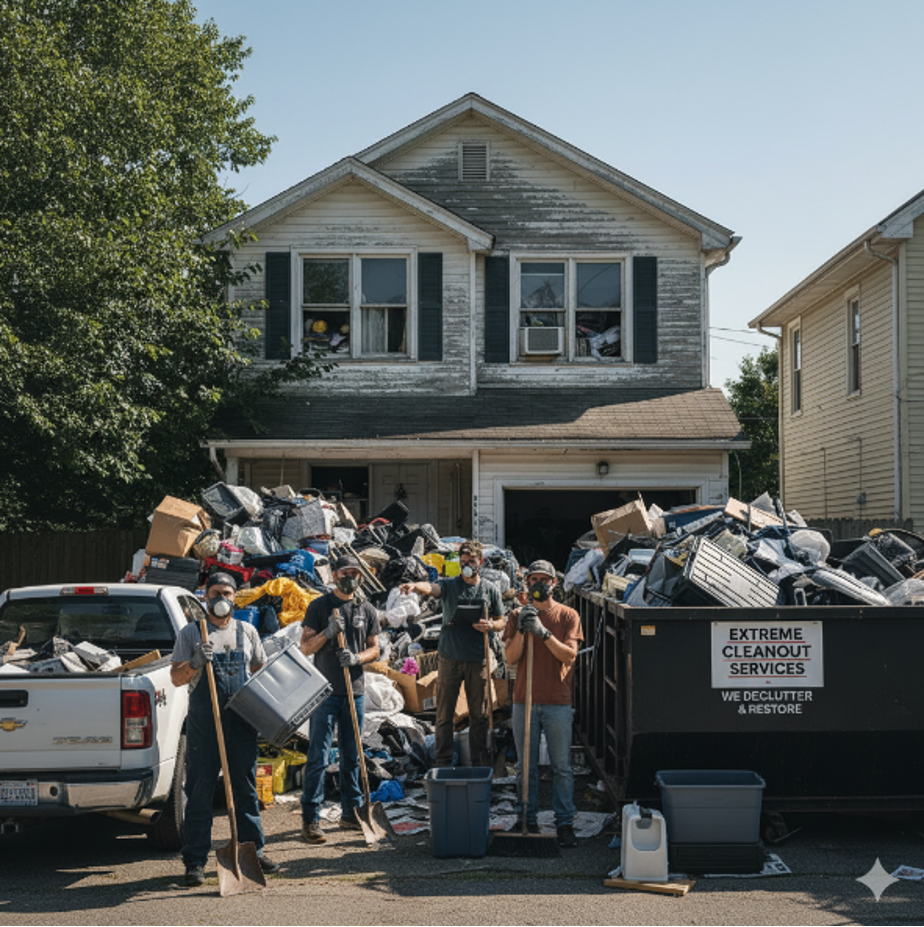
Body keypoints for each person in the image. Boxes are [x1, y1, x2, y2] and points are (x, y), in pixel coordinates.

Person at [170, 572, 279, 886]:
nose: (221, 598)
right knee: (199, 791)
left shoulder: (247, 632)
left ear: (235, 597)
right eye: (215, 592)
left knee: (244, 789)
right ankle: (194, 862)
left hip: (241, 722)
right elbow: (177, 678)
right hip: (205, 723)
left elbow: (259, 672)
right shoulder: (191, 634)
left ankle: (252, 851)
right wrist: (194, 662)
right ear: (205, 596)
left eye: (227, 593)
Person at [400, 539, 505, 768]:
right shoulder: (450, 585)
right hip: (449, 660)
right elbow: (433, 588)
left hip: (478, 661)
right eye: (464, 561)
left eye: (472, 562)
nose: (467, 565)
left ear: (481, 562)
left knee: (479, 715)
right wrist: (416, 586)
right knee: (444, 715)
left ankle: (479, 763)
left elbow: (501, 620)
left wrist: (491, 626)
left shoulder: (489, 589)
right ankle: (443, 762)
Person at [299, 553, 380, 844]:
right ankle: (311, 819)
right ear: (334, 575)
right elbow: (306, 647)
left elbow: (376, 649)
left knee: (352, 755)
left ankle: (351, 813)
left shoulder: (366, 608)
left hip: (354, 692)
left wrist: (356, 657)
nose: (351, 578)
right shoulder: (320, 606)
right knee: (319, 756)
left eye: (356, 574)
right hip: (326, 693)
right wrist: (327, 633)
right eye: (346, 572)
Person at [503, 559, 583, 849]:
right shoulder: (516, 615)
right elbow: (510, 658)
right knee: (526, 767)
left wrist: (544, 633)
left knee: (562, 766)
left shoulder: (568, 616)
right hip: (524, 701)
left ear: (554, 583)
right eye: (533, 579)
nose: (539, 584)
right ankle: (527, 817)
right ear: (527, 584)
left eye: (544, 580)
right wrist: (525, 629)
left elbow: (569, 657)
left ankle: (564, 823)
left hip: (557, 702)